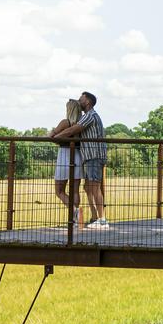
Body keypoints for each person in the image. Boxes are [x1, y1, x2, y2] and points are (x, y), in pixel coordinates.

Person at [50, 91, 109, 229]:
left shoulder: (89, 116)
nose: (79, 100)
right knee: (87, 187)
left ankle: (102, 220)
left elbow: (72, 130)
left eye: (81, 98)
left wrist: (55, 136)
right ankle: (94, 217)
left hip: (93, 155)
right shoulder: (87, 116)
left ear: (87, 101)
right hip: (87, 156)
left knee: (94, 188)